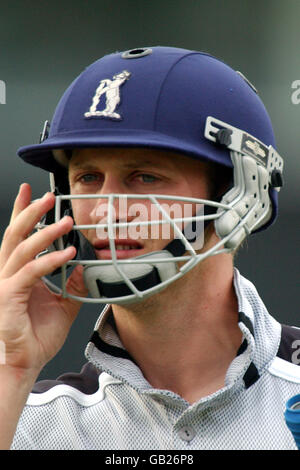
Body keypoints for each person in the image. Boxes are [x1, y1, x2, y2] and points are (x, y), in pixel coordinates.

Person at [0, 46, 299, 451]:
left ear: (241, 195)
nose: (107, 211)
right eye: (88, 176)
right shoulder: (27, 420)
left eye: (144, 177)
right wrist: (12, 368)